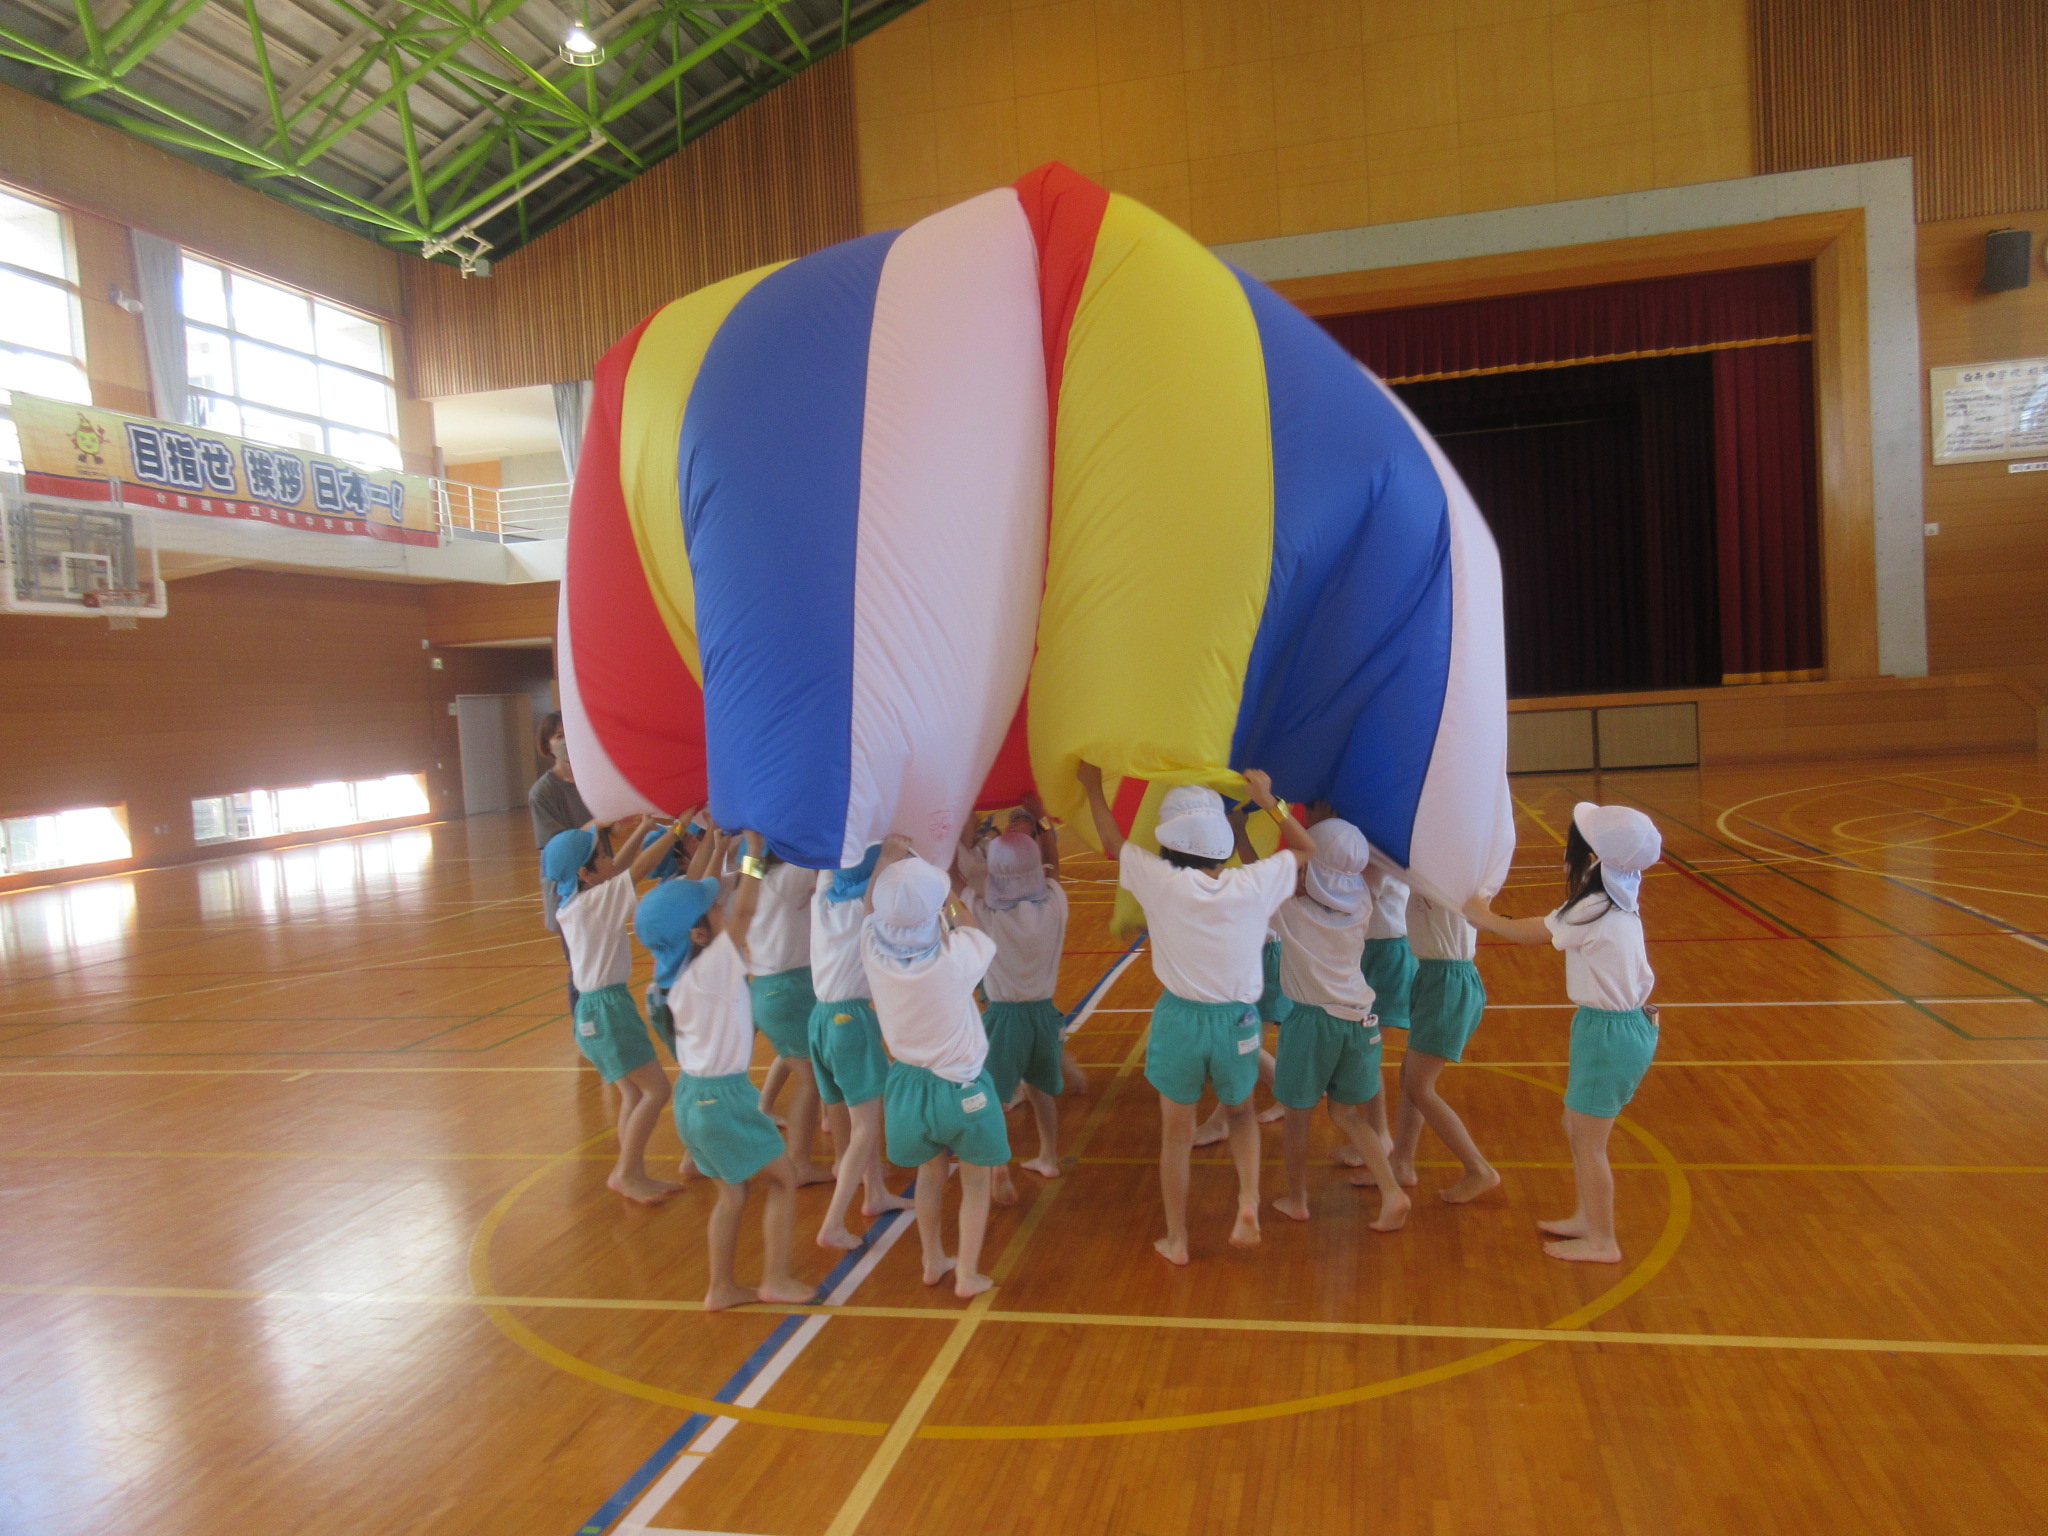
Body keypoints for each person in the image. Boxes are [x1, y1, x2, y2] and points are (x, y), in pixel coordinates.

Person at [1078, 763, 1309, 1265]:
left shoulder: (1161, 882)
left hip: (1181, 1020)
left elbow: (1114, 843)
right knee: (1242, 1114)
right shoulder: (1252, 883)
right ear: (1222, 843)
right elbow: (1307, 851)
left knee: (1176, 1136)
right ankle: (1247, 1202)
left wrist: (1094, 787)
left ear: (1169, 843)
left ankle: (1178, 1240)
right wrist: (1270, 800)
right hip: (1239, 1022)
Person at [1465, 802, 1662, 1264]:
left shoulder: (1593, 904)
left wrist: (1485, 917)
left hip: (1609, 1035)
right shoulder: (1617, 891)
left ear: (1594, 852)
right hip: (1617, 1029)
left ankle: (1602, 1240)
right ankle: (1587, 1217)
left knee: (1589, 1141)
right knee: (1575, 1126)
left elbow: (1534, 933)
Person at [653, 828, 815, 1310]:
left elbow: (701, 901)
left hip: (694, 1099)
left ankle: (721, 1288)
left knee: (733, 1195)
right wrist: (755, 853)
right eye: (714, 908)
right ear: (699, 933)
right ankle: (775, 1279)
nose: (726, 907)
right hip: (723, 1101)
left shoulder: (677, 974)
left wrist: (718, 853)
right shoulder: (716, 967)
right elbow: (746, 908)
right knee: (783, 1179)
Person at [863, 840, 1011, 1298]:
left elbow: (873, 907)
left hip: (907, 1087)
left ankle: (932, 1260)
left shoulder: (872, 949)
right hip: (962, 1085)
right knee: (974, 1180)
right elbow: (965, 925)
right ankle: (967, 1274)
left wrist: (888, 860)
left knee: (929, 1174)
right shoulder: (954, 959)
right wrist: (944, 893)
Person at [1268, 818, 1411, 1232]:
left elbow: (1260, 872)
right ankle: (1391, 1191)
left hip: (1313, 1021)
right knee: (1347, 1114)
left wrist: (1257, 816)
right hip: (1361, 1018)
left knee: (1297, 1116)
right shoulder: (1364, 902)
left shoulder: (1289, 909)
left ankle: (1296, 1199)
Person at [543, 815, 683, 1205]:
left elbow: (619, 868)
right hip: (608, 1010)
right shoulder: (596, 902)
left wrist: (642, 827)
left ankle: (632, 1170)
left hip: (592, 1012)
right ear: (587, 873)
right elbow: (635, 870)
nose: (611, 860)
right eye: (602, 856)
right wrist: (675, 829)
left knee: (634, 1096)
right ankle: (625, 1172)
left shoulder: (577, 901)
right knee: (656, 1091)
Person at [957, 798, 1068, 1188]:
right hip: (1044, 1015)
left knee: (994, 1097)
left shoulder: (986, 914)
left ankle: (999, 1167)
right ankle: (1049, 1156)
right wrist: (1039, 811)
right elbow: (1052, 865)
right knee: (1042, 1093)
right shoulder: (1056, 901)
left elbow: (961, 878)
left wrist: (959, 818)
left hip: (1003, 1018)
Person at [810, 843, 914, 1248]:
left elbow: (829, 869)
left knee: (861, 1116)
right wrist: (890, 857)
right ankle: (833, 1222)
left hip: (819, 1019)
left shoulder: (823, 900)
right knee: (866, 1125)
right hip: (850, 1022)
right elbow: (872, 896)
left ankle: (874, 1192)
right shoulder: (863, 912)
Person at [1390, 887, 1499, 1204]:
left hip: (1448, 983)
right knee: (1409, 1078)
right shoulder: (1432, 872)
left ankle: (1478, 1169)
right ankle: (1401, 1164)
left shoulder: (1448, 875)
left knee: (1420, 1086)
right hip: (1434, 977)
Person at [529, 712, 593, 1012]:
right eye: (558, 736)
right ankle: (586, 1028)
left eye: (569, 732)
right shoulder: (543, 792)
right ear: (547, 745)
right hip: (568, 890)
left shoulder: (591, 780)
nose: (566, 740)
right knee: (579, 966)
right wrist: (598, 825)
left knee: (601, 961)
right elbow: (559, 848)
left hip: (598, 880)